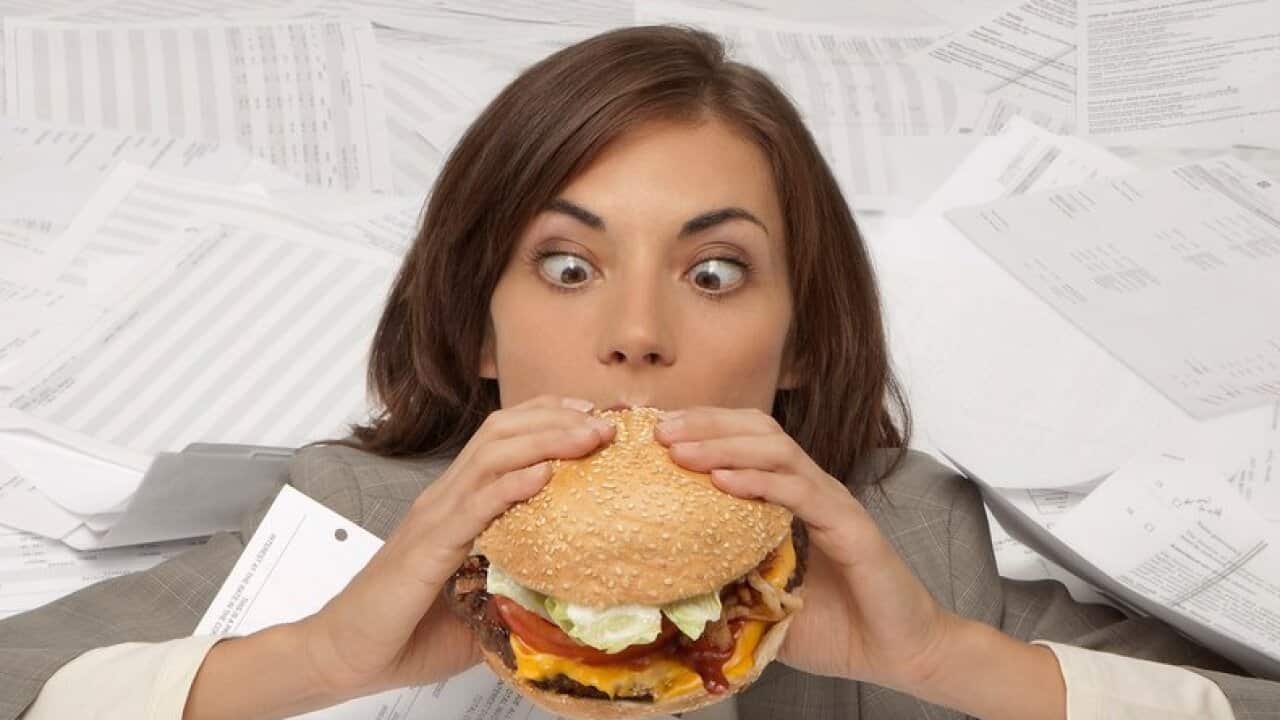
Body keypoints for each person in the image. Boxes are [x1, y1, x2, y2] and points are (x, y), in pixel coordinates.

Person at [2, 25, 1275, 720]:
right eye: (566, 266)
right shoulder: (360, 514)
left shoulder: (903, 539)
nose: (635, 336)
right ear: (479, 334)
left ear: (800, 344)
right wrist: (318, 660)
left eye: (713, 272)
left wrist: (951, 664)